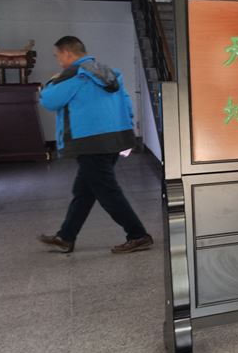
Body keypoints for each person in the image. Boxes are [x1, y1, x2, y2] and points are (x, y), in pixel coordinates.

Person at [37, 36, 153, 254]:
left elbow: (48, 100)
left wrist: (53, 81)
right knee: (84, 191)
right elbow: (127, 104)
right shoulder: (110, 73)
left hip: (90, 143)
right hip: (114, 139)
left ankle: (138, 235)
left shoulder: (75, 76)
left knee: (107, 192)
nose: (58, 61)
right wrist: (127, 133)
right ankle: (65, 236)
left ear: (67, 53)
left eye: (57, 56)